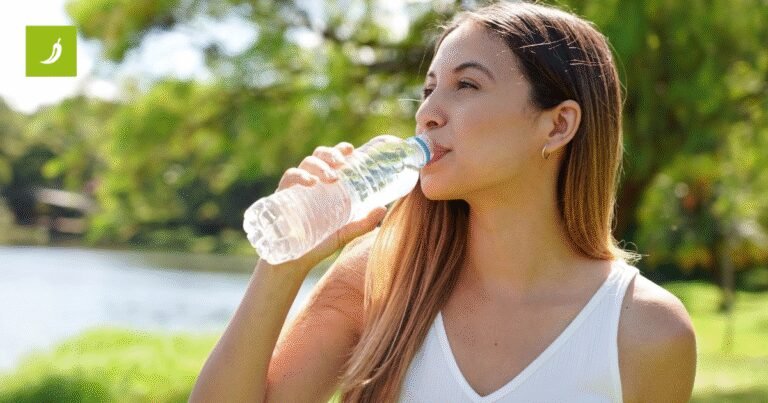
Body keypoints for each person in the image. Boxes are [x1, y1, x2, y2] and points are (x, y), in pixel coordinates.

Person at [190, 1, 697, 402]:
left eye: (467, 85)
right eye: (429, 89)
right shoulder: (378, 279)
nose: (429, 112)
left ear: (558, 124)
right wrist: (283, 264)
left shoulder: (644, 330)